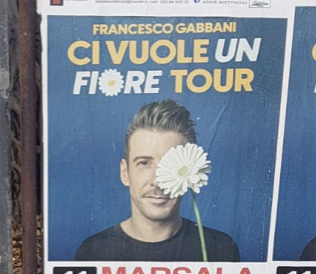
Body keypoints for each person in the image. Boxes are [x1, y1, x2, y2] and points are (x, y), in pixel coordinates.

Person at [74, 100, 239, 263]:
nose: (158, 182)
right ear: (125, 173)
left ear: (192, 170)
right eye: (144, 163)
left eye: (171, 164)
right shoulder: (93, 251)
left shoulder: (221, 249)